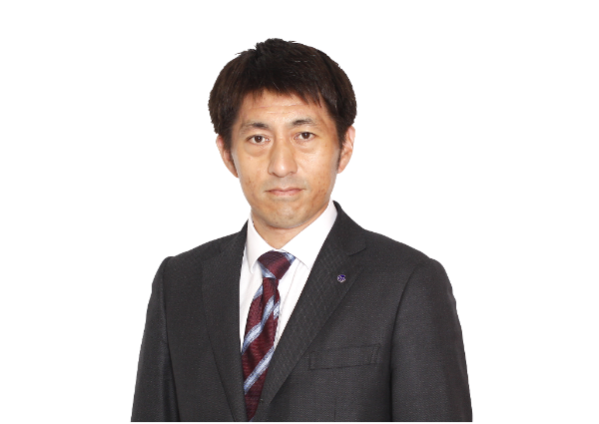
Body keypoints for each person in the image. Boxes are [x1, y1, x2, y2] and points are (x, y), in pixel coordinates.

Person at [131, 38, 472, 422]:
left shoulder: (407, 283)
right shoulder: (179, 283)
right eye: (258, 138)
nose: (281, 165)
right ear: (227, 153)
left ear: (345, 146)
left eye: (304, 135)